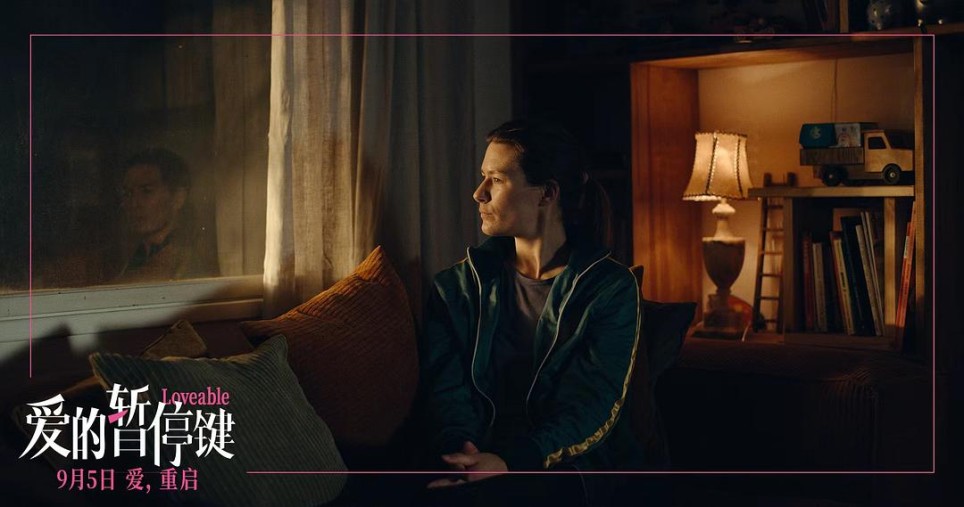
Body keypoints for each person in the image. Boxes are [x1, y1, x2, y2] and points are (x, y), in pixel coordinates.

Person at [420, 119, 644, 506]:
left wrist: (510, 462)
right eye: (483, 177)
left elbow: (592, 404)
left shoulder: (610, 289)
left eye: (496, 179)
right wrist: (465, 453)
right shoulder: (455, 288)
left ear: (547, 194)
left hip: (566, 464)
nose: (478, 193)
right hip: (477, 453)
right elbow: (447, 390)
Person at [114, 148, 219, 283]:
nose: (134, 203)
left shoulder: (188, 254)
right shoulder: (139, 253)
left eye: (147, 191)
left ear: (178, 198)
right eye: (128, 193)